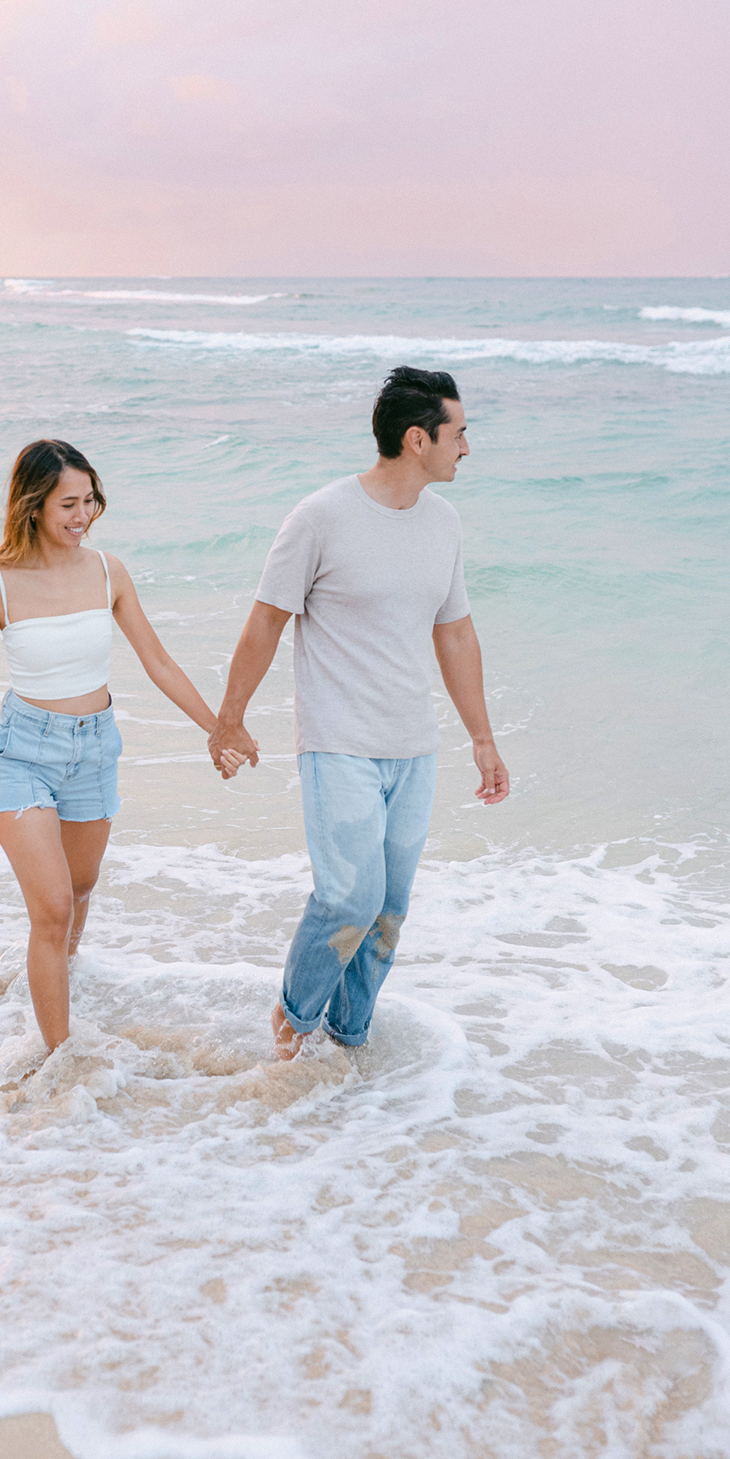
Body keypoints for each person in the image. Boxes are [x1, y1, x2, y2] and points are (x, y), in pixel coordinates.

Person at [209, 366, 509, 1060]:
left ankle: (349, 1044)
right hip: (338, 741)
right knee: (349, 899)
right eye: (458, 434)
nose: (466, 448)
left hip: (412, 746)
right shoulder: (320, 517)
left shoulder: (443, 523)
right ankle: (291, 1024)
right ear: (417, 439)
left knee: (388, 915)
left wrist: (482, 740)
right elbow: (265, 622)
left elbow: (455, 631)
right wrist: (231, 719)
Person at [0, 439, 247, 1054]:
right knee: (55, 907)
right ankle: (60, 1055)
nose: (82, 515)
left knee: (81, 889)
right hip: (20, 752)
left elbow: (159, 661)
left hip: (94, 750)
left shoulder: (107, 571)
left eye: (90, 501)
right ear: (33, 505)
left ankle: (51, 978)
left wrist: (218, 727)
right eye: (69, 503)